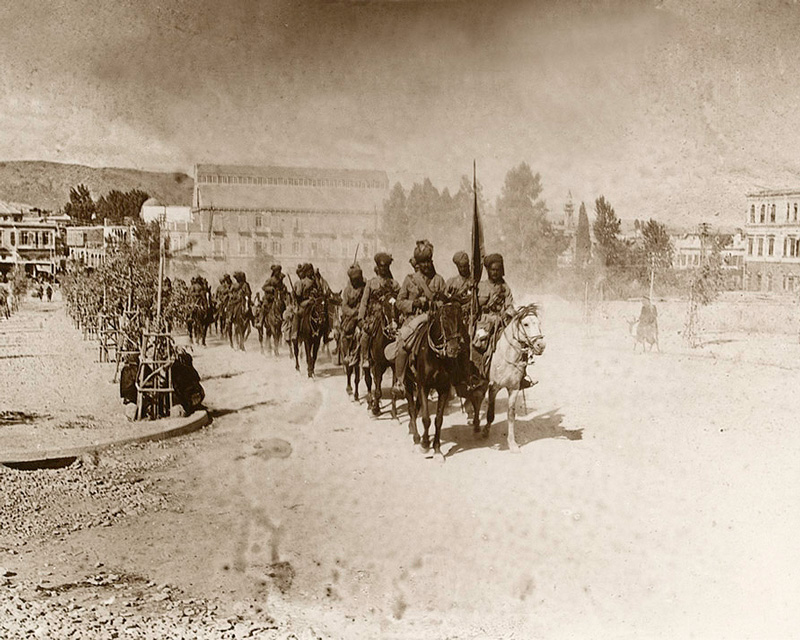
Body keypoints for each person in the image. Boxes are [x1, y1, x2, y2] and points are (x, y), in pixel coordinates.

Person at [392, 240, 448, 394]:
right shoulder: (410, 279)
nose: (426, 266)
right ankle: (400, 381)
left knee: (449, 344)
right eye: (422, 263)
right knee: (403, 345)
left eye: (428, 262)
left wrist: (438, 304)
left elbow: (444, 301)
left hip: (433, 319)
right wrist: (414, 303)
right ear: (417, 263)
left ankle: (450, 381)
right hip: (413, 320)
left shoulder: (439, 280)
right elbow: (399, 302)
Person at [473, 253, 534, 389]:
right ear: (488, 270)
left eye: (498, 269)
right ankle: (477, 376)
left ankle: (521, 375)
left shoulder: (505, 287)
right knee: (479, 344)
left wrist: (508, 313)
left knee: (518, 342)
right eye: (492, 269)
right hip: (484, 322)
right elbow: (474, 307)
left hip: (502, 322)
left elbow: (510, 305)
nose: (495, 272)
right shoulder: (479, 286)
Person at [357, 252, 401, 373]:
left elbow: (400, 299)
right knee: (365, 335)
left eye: (386, 267)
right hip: (374, 316)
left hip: (390, 316)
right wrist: (361, 319)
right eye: (381, 266)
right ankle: (365, 358)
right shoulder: (371, 283)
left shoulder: (394, 284)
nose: (383, 269)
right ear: (378, 267)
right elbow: (364, 302)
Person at [340, 262, 366, 366]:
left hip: (363, 315)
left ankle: (367, 357)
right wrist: (352, 312)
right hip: (351, 316)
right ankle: (348, 354)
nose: (356, 282)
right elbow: (344, 306)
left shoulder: (365, 287)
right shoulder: (347, 290)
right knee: (346, 332)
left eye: (357, 279)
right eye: (354, 280)